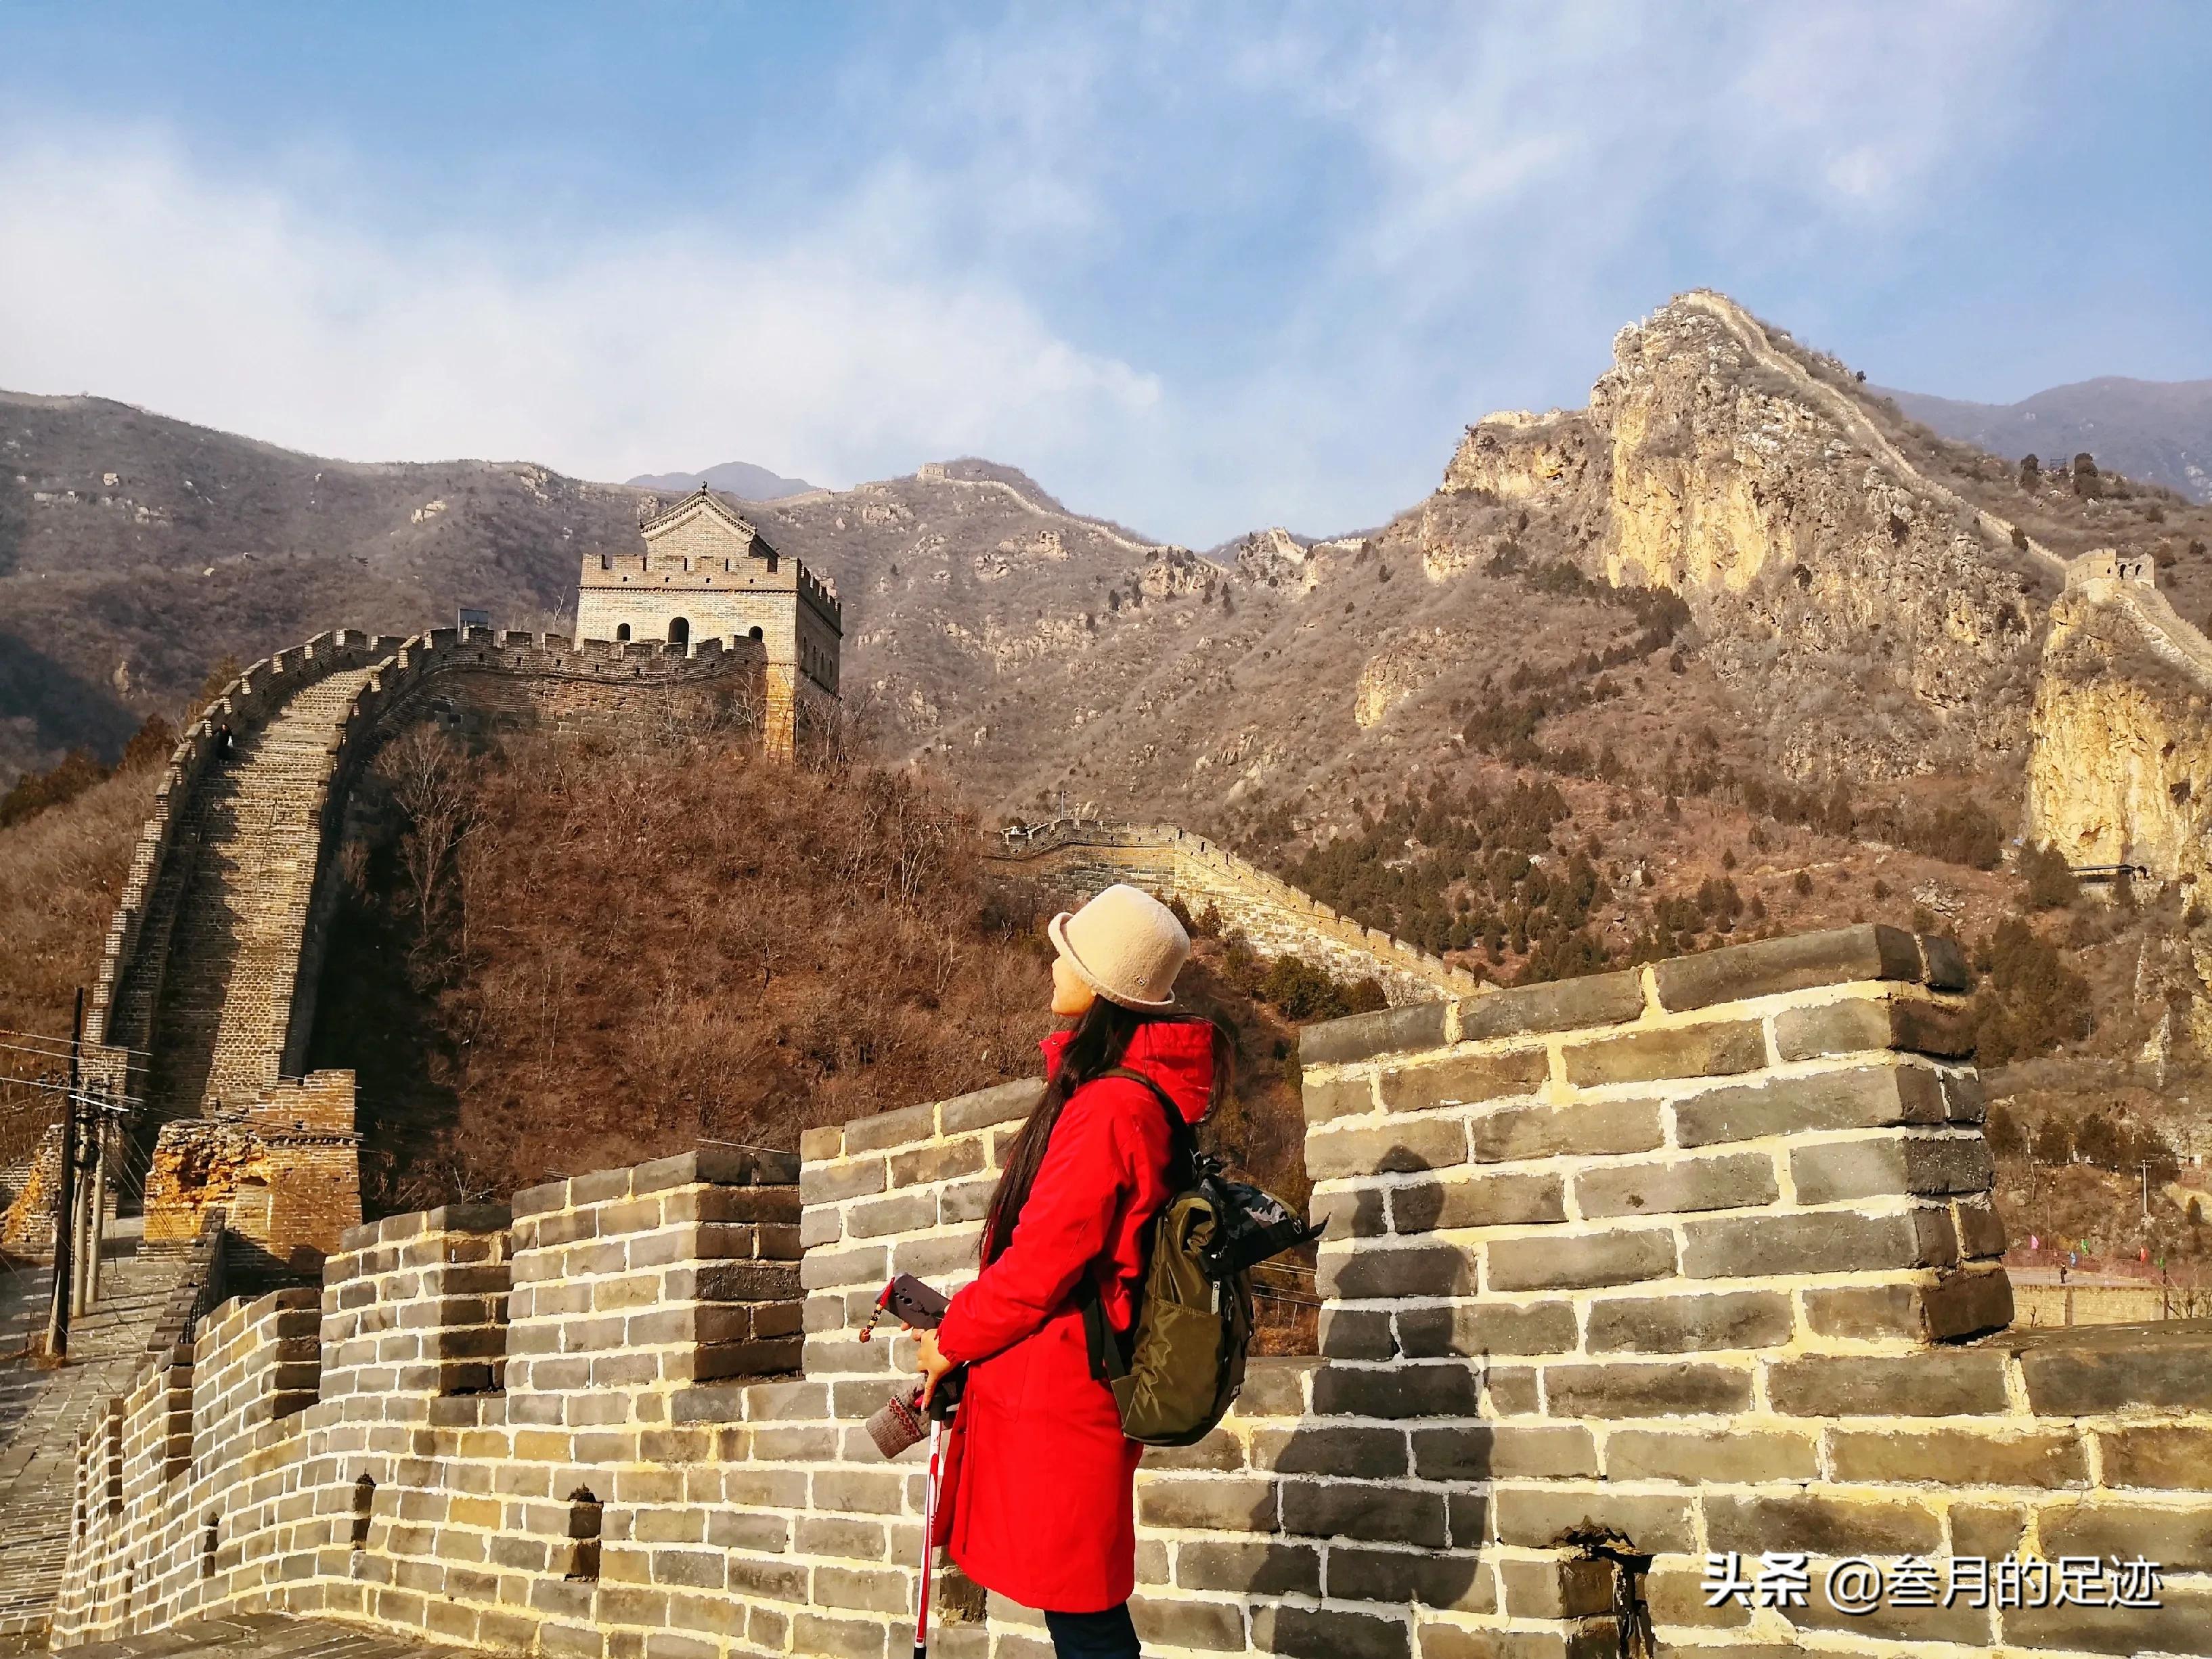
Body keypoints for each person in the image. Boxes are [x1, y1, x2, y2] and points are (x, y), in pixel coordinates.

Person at [910, 883, 1227, 1659]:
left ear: (1106, 988)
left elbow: (1044, 1261)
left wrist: (951, 1338)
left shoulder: (1109, 1110)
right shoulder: (1125, 1098)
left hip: (1065, 1388)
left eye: (1071, 953)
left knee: (1084, 1612)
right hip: (1063, 1376)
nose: (1055, 961)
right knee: (1076, 1607)